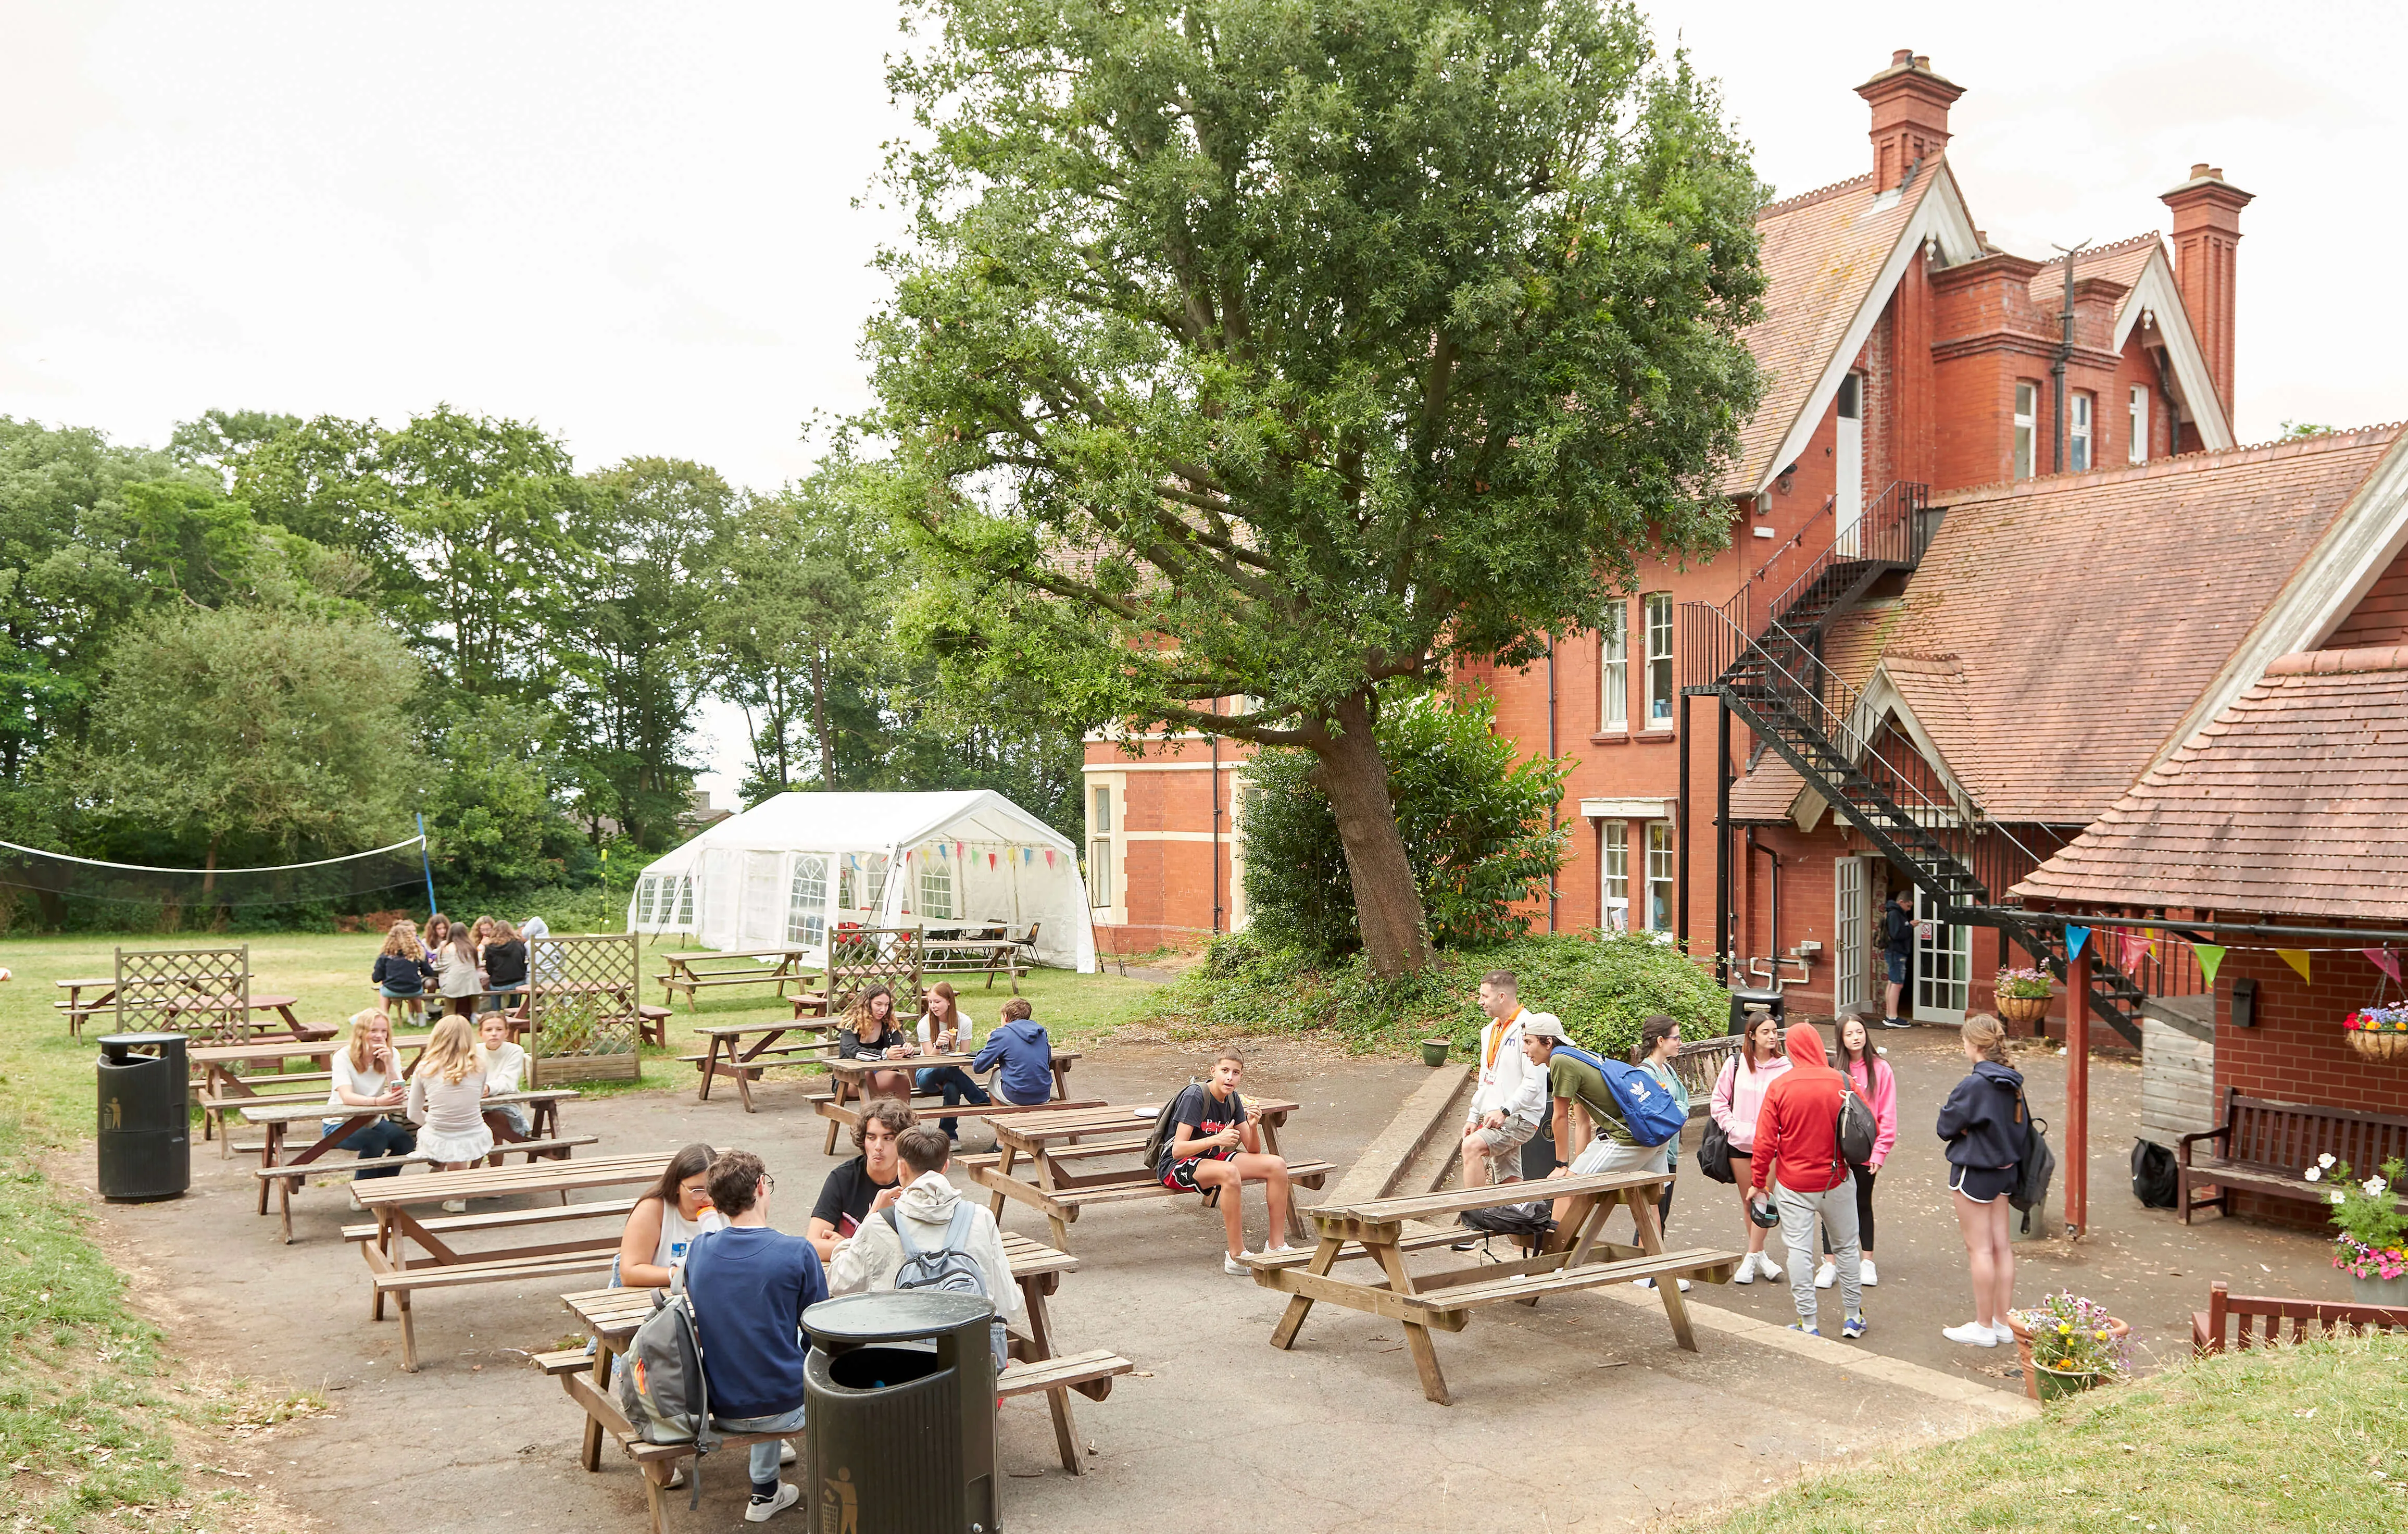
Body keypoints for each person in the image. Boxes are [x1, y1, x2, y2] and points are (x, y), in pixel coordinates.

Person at [681, 1149, 826, 1522]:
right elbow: (820, 1338)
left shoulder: (698, 1252)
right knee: (785, 1355)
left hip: (724, 1406)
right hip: (785, 1405)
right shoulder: (797, 1251)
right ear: (761, 1186)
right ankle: (765, 1490)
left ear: (715, 1201)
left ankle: (767, 1487)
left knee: (750, 1344)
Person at [828, 1123, 1025, 1345]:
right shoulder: (981, 1217)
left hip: (900, 1358)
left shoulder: (878, 1225)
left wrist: (856, 1233)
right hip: (969, 1359)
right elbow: (1010, 1306)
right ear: (946, 1166)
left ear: (901, 1168)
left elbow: (839, 1283)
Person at [1747, 1021, 1865, 1339]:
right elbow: (1868, 1125)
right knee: (1846, 1248)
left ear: (1793, 1049)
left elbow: (1765, 1142)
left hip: (1793, 1184)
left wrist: (1759, 1182)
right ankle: (1853, 1317)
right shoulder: (1843, 1081)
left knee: (1798, 1251)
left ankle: (1808, 1322)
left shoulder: (1780, 1086)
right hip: (1837, 1178)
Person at [1159, 1047, 1297, 1273]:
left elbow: (1253, 1149)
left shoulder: (1233, 1099)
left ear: (1241, 1075)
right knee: (1229, 1172)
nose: (1230, 1077)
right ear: (1213, 1071)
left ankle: (1276, 1245)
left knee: (1276, 1165)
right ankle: (1236, 1257)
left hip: (1210, 1159)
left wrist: (1253, 1125)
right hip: (1176, 1166)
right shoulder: (1195, 1096)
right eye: (1225, 1071)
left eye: (1236, 1073)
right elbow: (1178, 1150)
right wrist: (1216, 1139)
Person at [1936, 1013, 2025, 1347]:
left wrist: (1966, 1129)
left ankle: (1984, 1326)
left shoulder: (1974, 1084)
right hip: (2005, 1170)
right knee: (2002, 1247)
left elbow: (1946, 1126)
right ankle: (2002, 1322)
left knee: (1980, 1250)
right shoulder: (2013, 1081)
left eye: (1964, 1041)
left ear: (1974, 1044)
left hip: (1974, 1172)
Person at [1710, 1011, 1790, 1284]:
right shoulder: (1736, 1063)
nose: (1772, 1036)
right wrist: (1733, 1126)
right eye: (1766, 1032)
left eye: (1775, 1031)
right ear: (1752, 1035)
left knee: (1763, 1200)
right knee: (1749, 1201)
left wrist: (1779, 1133)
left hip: (1772, 1146)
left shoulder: (1785, 1067)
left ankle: (1752, 1255)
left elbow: (1790, 1106)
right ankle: (1760, 1255)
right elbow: (1719, 1101)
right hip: (1740, 1144)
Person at [1818, 1012, 1897, 1290]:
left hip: (1865, 1148)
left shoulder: (1881, 1069)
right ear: (1841, 1038)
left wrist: (1880, 1152)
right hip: (1836, 1150)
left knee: (1862, 1202)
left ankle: (1867, 1261)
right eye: (1850, 1033)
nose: (1856, 1038)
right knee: (1831, 1205)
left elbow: (1888, 1114)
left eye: (1860, 1032)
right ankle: (1830, 1263)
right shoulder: (1832, 1069)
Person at [406, 1013, 494, 1212]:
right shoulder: (480, 1066)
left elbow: (413, 1113)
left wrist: (437, 1122)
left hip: (438, 1133)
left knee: (445, 1135)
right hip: (474, 1132)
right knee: (458, 1138)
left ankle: (446, 1180)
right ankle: (456, 1195)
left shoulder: (424, 1069)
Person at [325, 1009, 417, 1199]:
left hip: (371, 1120)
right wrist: (377, 1102)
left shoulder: (391, 1053)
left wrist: (389, 1064)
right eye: (373, 1030)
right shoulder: (343, 1056)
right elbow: (346, 1097)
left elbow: (397, 1091)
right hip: (339, 1123)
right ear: (361, 1032)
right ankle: (361, 1193)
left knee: (405, 1142)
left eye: (384, 1031)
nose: (379, 1036)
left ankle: (381, 1188)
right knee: (375, 1142)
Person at [1460, 970, 1537, 1190]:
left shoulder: (1530, 1028)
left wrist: (1505, 1111)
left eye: (1485, 996)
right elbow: (1485, 1079)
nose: (1480, 1001)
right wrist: (1474, 1115)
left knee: (1471, 1147)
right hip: (1497, 1114)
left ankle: (1475, 1208)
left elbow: (1534, 1083)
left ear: (1502, 997)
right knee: (1508, 1177)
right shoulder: (1490, 1030)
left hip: (1519, 1116)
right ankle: (1514, 1210)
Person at [807, 1099, 911, 1262]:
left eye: (888, 1138)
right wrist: (857, 1245)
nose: (878, 1146)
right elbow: (812, 1246)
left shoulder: (913, 1178)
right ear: (863, 1140)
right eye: (871, 1137)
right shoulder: (842, 1178)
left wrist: (847, 1245)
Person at [1632, 1014, 1692, 1293]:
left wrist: (1677, 1110)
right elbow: (1662, 1112)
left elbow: (1681, 1103)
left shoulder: (1667, 1070)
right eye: (1675, 1038)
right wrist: (1677, 1111)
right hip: (1654, 1155)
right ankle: (1649, 1273)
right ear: (1660, 1041)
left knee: (1660, 1213)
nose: (1679, 1043)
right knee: (1651, 1213)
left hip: (1670, 1153)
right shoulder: (1646, 1074)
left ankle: (1644, 1271)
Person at [616, 1142, 723, 1288]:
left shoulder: (729, 1206)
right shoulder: (653, 1210)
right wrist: (684, 1275)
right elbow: (630, 1273)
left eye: (713, 1189)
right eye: (697, 1190)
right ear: (677, 1186)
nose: (708, 1199)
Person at [913, 983, 993, 1141]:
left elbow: (963, 1058)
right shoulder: (924, 1023)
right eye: (930, 1002)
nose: (933, 1006)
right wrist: (937, 1045)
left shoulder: (964, 1021)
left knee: (952, 1086)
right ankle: (982, 1102)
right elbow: (928, 1061)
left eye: (937, 1002)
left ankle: (949, 1136)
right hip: (927, 1075)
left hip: (953, 1074)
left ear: (949, 1001)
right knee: (949, 1070)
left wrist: (949, 1075)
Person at [837, 984, 918, 1099]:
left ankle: (903, 1111)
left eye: (887, 1005)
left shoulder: (889, 1023)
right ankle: (877, 1109)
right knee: (867, 1075)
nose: (883, 1010)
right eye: (878, 1004)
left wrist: (906, 1050)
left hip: (879, 1073)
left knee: (901, 1080)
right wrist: (885, 1054)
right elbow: (853, 1051)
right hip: (849, 1078)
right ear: (867, 1003)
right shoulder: (851, 1024)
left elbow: (898, 1045)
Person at [972, 997, 1054, 1107]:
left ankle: (1001, 1115)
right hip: (1043, 1095)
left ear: (1006, 1017)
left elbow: (979, 1067)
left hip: (1017, 1096)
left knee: (996, 1075)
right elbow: (1048, 1060)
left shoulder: (1002, 1035)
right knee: (1001, 1073)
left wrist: (989, 1044)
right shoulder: (1041, 1032)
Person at [370, 919, 435, 1025]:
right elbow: (429, 972)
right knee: (414, 988)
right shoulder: (417, 954)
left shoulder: (385, 956)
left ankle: (384, 1016)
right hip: (414, 990)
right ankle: (421, 1017)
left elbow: (376, 978)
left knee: (384, 991)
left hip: (391, 989)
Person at [477, 1012, 530, 1139]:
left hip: (505, 1103)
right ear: (481, 1034)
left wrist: (488, 1088)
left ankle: (522, 1141)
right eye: (489, 1030)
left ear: (507, 1032)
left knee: (495, 1119)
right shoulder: (474, 1051)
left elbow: (508, 1082)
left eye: (499, 1029)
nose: (494, 1034)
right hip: (477, 1103)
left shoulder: (515, 1051)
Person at [429, 922, 484, 1019]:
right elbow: (478, 963)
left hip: (453, 985)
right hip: (472, 985)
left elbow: (438, 966)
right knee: (473, 992)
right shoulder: (472, 947)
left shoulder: (447, 949)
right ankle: (474, 1016)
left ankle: (449, 1018)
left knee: (450, 1004)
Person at [1881, 889, 1916, 1029]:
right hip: (1896, 952)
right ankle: (1892, 1017)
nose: (1909, 909)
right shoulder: (1895, 914)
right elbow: (1897, 934)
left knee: (1892, 982)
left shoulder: (1892, 912)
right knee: (1897, 984)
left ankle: (1890, 1015)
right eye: (1908, 906)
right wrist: (1910, 926)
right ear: (1901, 902)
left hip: (1893, 952)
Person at [482, 919, 528, 1012]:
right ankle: (514, 1012)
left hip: (498, 983)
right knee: (515, 995)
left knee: (494, 990)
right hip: (517, 981)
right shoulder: (519, 944)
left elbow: (489, 969)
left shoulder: (490, 947)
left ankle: (496, 1011)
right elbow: (522, 962)